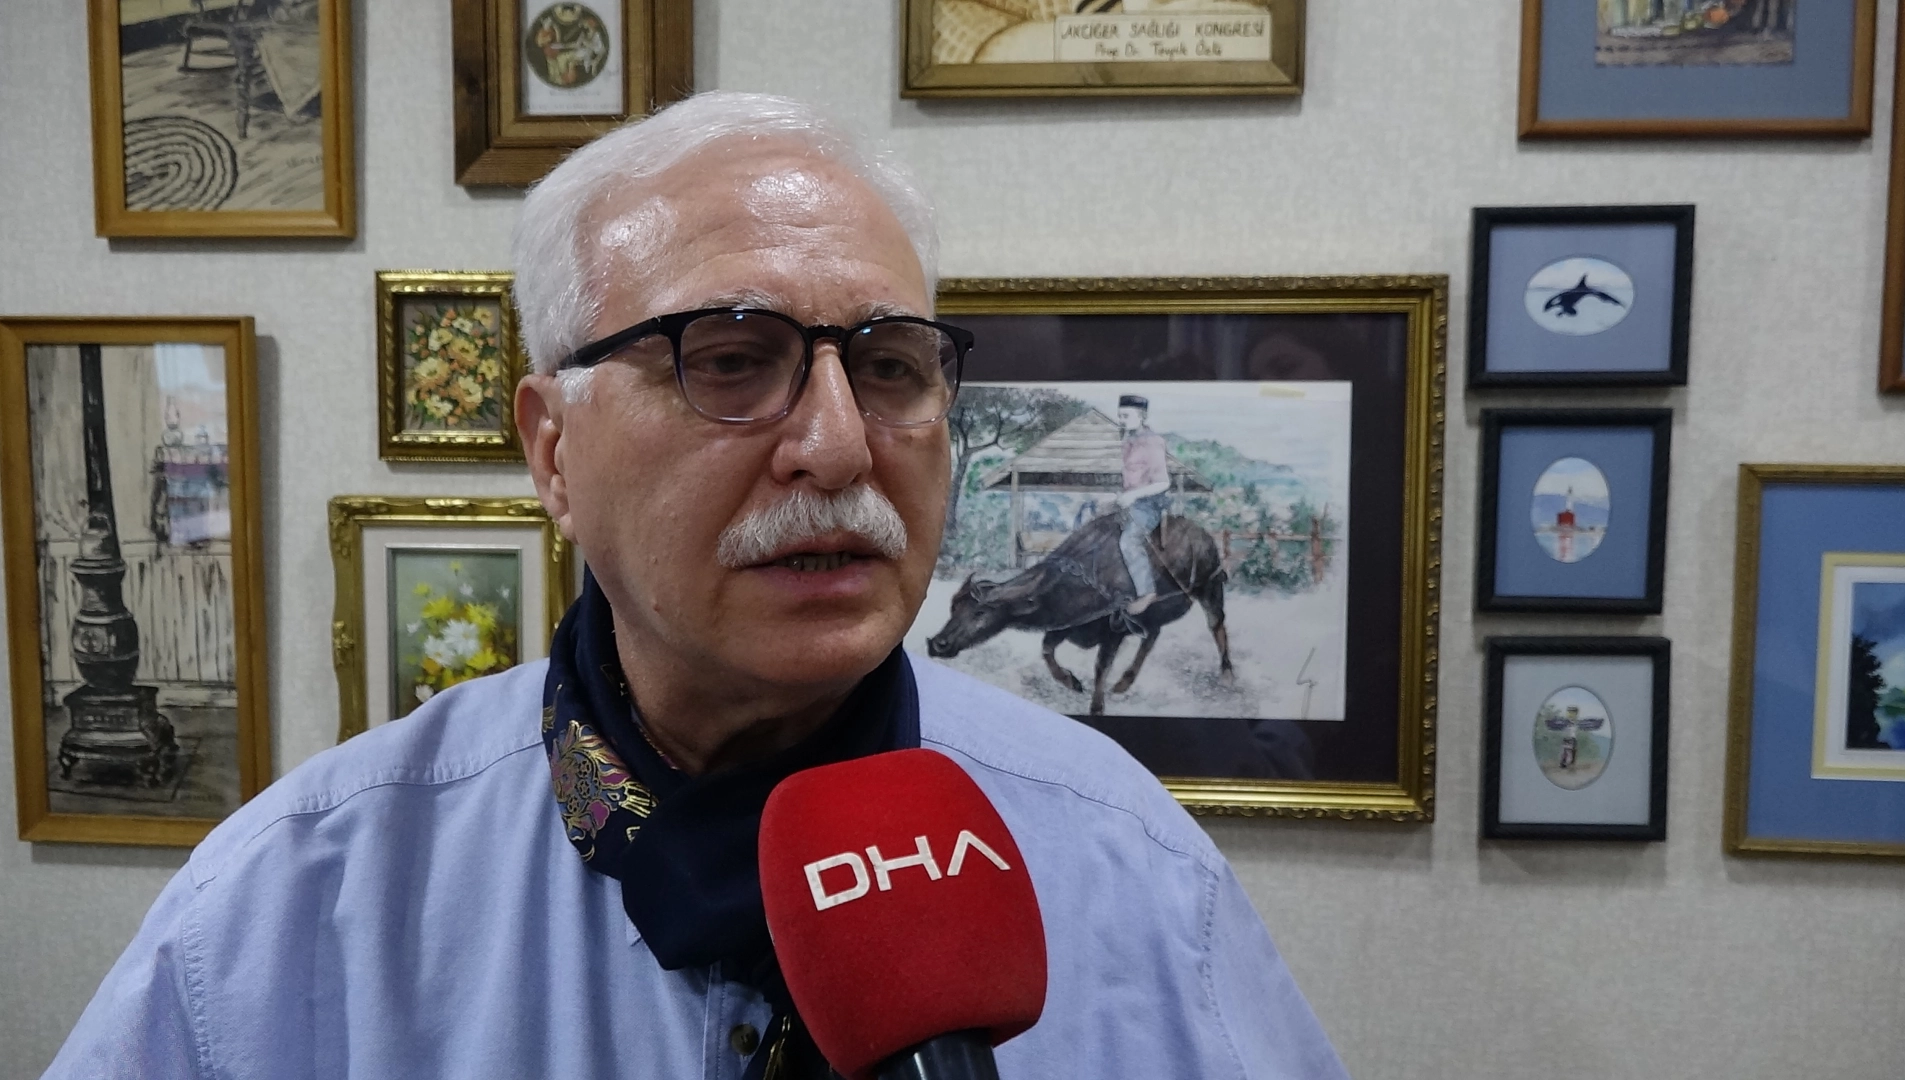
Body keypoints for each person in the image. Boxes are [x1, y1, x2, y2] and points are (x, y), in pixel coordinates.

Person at [42, 93, 1346, 1080]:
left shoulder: (1129, 866)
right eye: (729, 358)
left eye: (890, 367)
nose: (839, 446)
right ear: (554, 451)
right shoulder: (292, 911)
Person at [1115, 394, 1172, 615]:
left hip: (1149, 505)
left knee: (1128, 542)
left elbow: (1163, 483)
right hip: (1129, 503)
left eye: (1126, 416)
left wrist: (1133, 496)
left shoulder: (1152, 442)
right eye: (1120, 416)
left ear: (1142, 416)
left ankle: (1146, 592)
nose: (1121, 420)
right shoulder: (1128, 442)